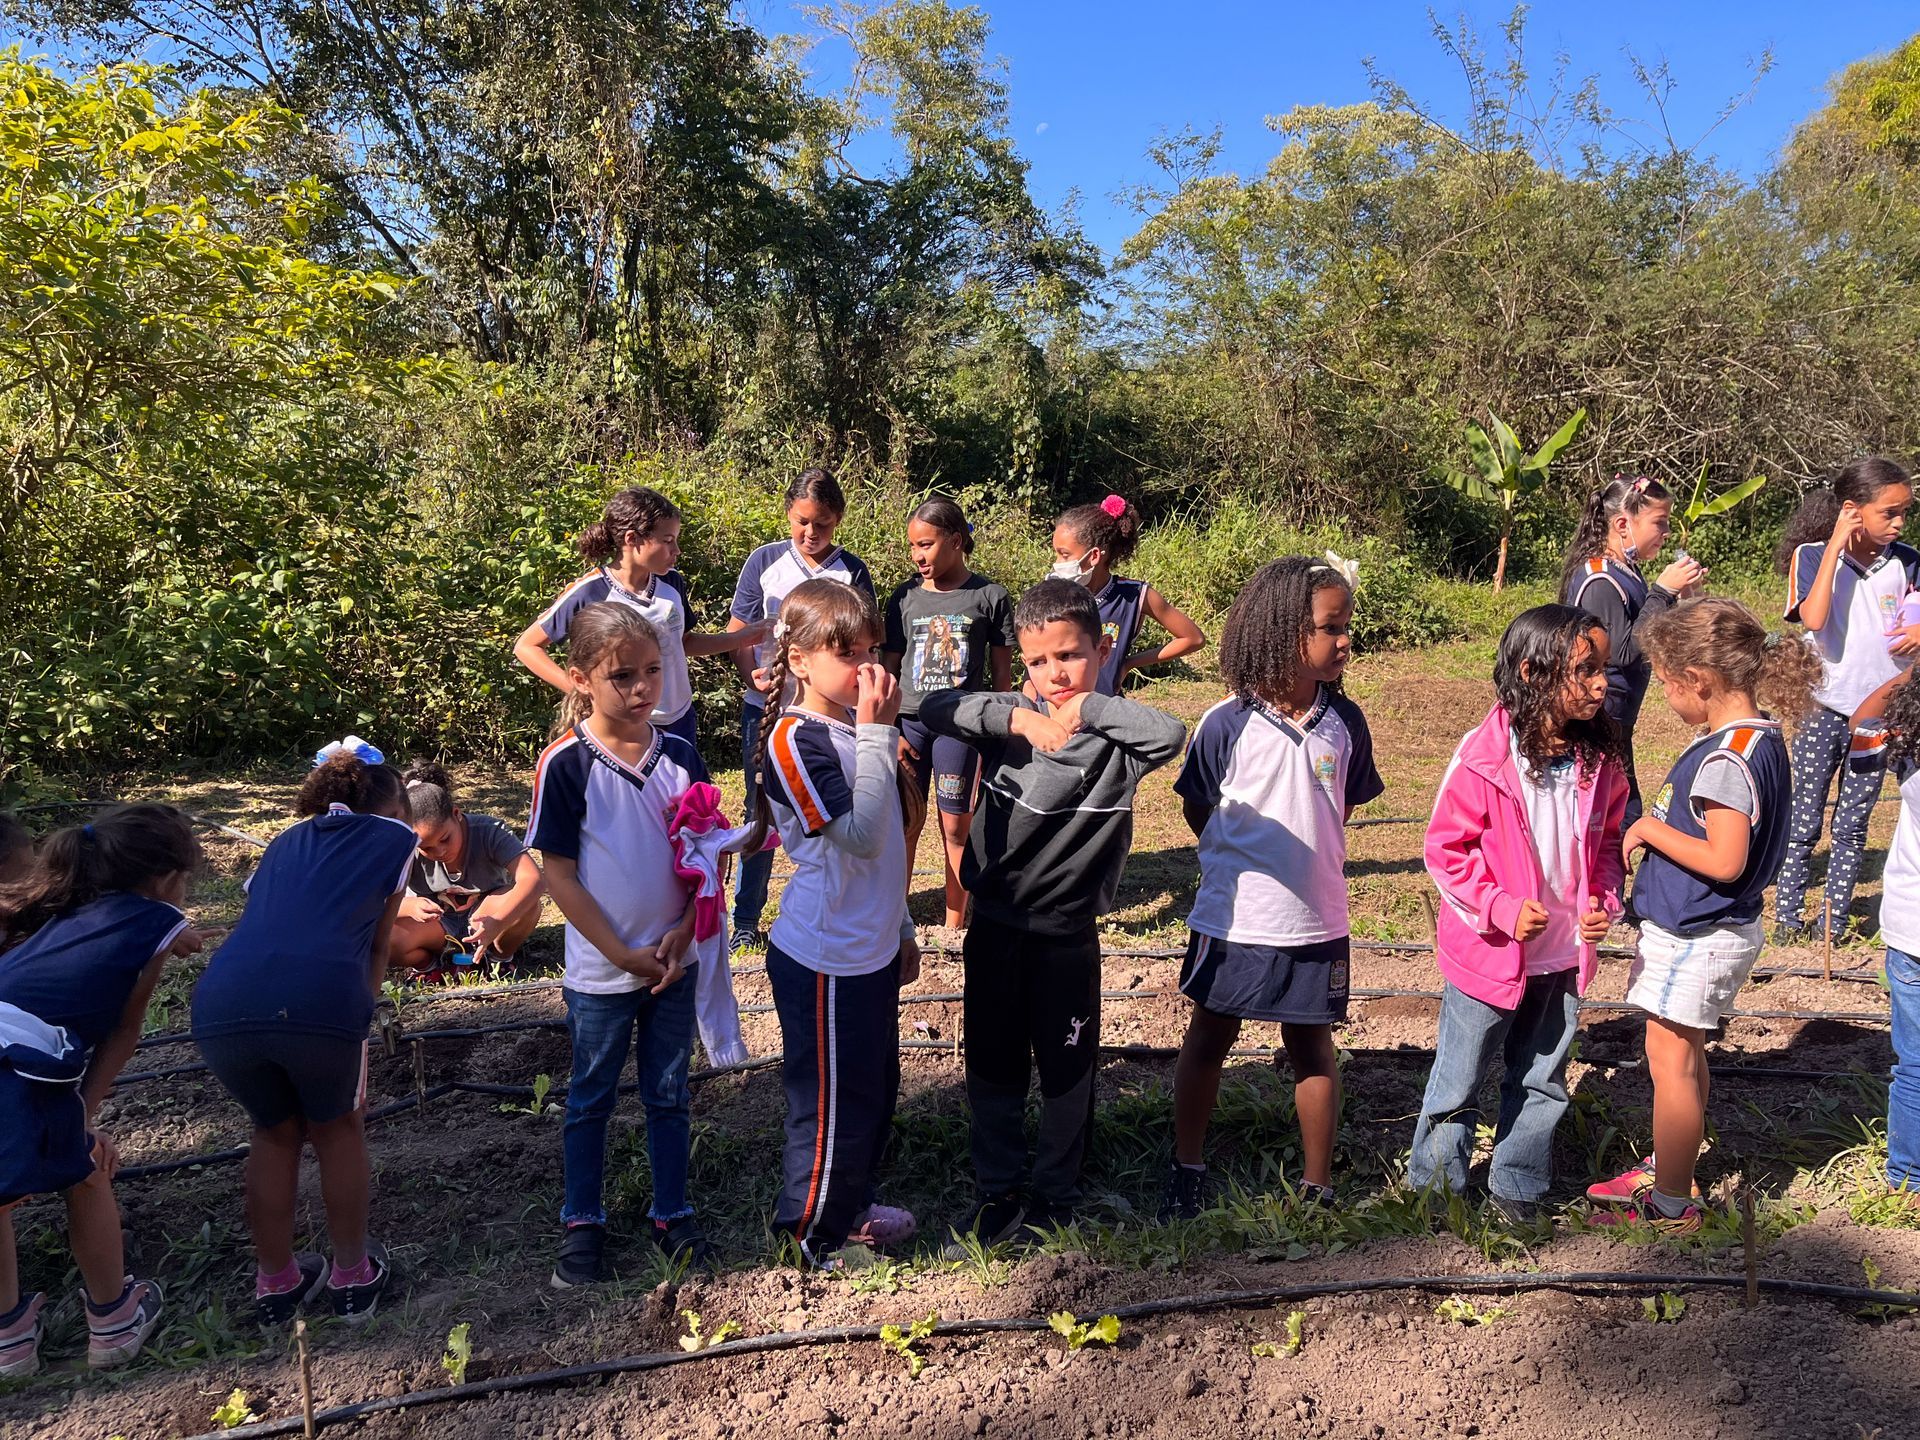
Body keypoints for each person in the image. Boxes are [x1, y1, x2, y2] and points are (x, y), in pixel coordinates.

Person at [922, 579, 1187, 1244]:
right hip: (996, 929)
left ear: (1103, 648)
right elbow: (932, 706)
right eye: (1038, 661)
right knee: (992, 1061)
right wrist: (1020, 718)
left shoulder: (1119, 740)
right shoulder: (1010, 719)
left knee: (1067, 1068)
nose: (1053, 673)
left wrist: (1091, 708)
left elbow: (1172, 732)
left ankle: (1057, 1192)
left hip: (1066, 938)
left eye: (1069, 656)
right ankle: (996, 1188)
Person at [1162, 557, 1383, 1220]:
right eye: (1331, 627)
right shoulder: (1226, 724)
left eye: (1347, 626)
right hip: (1234, 923)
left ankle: (1318, 1186)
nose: (1345, 640)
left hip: (1317, 921)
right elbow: (1198, 807)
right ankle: (1186, 1166)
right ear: (1287, 633)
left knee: (1312, 1046)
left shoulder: (1346, 725)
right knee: (1209, 1038)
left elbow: (1336, 811)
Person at [1585, 598, 1815, 1231]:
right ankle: (1673, 1166)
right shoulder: (1756, 736)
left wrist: (1650, 831)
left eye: (1666, 684)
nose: (1664, 697)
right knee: (1685, 1056)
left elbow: (1724, 858)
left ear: (1700, 682)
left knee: (1670, 1059)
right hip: (1714, 930)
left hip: (1699, 932)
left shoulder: (1726, 759)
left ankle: (1669, 1202)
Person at [1409, 605, 1629, 1224]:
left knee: (1542, 1077)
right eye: (1584, 670)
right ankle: (1436, 1187)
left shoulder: (1600, 759)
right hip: (1489, 955)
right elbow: (1444, 851)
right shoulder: (1484, 759)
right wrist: (1499, 907)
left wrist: (1601, 900)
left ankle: (1519, 1185)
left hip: (1561, 957)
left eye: (1603, 669)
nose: (1600, 684)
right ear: (1533, 672)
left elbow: (1609, 843)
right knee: (1460, 1078)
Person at [192, 751, 417, 1327]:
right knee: (338, 1129)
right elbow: (377, 942)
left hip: (223, 1001)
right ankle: (351, 1274)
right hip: (318, 998)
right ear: (391, 808)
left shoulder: (285, 841)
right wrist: (362, 1012)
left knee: (273, 1132)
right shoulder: (393, 839)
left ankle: (277, 1281)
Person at [527, 602, 712, 1285]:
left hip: (673, 964)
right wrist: (619, 952)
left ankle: (673, 1213)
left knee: (669, 1091)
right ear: (581, 678)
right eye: (623, 676)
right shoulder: (567, 765)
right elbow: (560, 876)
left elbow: (704, 857)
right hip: (602, 974)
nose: (641, 690)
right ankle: (584, 1222)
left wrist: (685, 929)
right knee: (590, 1096)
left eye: (654, 673)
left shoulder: (683, 756)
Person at [745, 580, 923, 1265]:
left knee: (873, 1095)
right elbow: (862, 839)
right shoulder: (795, 740)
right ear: (799, 661)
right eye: (846, 652)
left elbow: (889, 860)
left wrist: (902, 928)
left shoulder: (853, 729)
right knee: (829, 1108)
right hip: (824, 960)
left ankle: (851, 1208)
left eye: (873, 649)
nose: (868, 666)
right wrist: (881, 733)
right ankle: (814, 1234)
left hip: (868, 950)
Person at [0, 805, 203, 1373]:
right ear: (165, 880)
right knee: (86, 1171)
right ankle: (114, 1322)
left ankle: (8, 1342)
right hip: (20, 1060)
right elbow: (124, 1032)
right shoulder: (153, 921)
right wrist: (83, 1117)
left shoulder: (62, 910)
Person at [726, 468, 876, 949]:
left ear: (839, 521)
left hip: (831, 717)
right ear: (789, 514)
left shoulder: (851, 571)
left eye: (823, 525)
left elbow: (865, 641)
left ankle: (833, 902)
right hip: (766, 709)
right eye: (802, 522)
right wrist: (749, 667)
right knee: (761, 808)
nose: (811, 534)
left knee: (835, 810)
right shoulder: (765, 561)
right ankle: (746, 917)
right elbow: (739, 627)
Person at [1775, 456, 1918, 943]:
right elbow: (1814, 620)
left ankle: (1832, 924)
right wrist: (1836, 542)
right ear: (1853, 510)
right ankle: (1787, 917)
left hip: (1877, 716)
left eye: (1905, 513)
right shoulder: (1813, 556)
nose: (1899, 523)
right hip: (1823, 707)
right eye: (1890, 513)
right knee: (1804, 817)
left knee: (1854, 821)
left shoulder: (1910, 562)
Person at [514, 485, 765, 748]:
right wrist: (582, 691)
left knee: (685, 790)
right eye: (668, 541)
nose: (677, 550)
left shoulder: (672, 583)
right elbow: (527, 646)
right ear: (632, 539)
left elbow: (684, 642)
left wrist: (742, 638)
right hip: (623, 727)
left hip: (680, 719)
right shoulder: (590, 591)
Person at [882, 496, 1013, 928]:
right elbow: (890, 666)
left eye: (927, 544)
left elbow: (1001, 676)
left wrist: (999, 731)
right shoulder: (903, 598)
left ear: (956, 541)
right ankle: (895, 917)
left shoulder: (989, 596)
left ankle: (955, 923)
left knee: (956, 826)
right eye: (913, 547)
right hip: (910, 727)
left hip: (960, 727)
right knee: (905, 824)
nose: (919, 556)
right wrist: (890, 727)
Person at [1559, 474, 1707, 825]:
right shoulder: (1600, 580)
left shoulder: (1627, 571)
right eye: (1659, 522)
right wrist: (1661, 593)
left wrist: (1685, 597)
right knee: (1616, 819)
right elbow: (1624, 652)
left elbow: (1659, 633)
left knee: (1622, 815)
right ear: (1623, 524)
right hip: (1595, 725)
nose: (1667, 531)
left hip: (1616, 726)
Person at [390, 760, 546, 975]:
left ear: (456, 814)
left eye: (445, 839)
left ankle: (497, 959)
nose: (439, 852)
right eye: (425, 848)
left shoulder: (489, 831)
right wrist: (408, 907)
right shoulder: (403, 846)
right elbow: (371, 900)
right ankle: (429, 967)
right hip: (435, 926)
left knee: (529, 904)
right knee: (383, 935)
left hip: (486, 915)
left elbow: (533, 879)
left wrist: (498, 922)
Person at [1861, 665, 1920, 1204]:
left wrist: (1911, 671)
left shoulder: (1908, 747)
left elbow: (1862, 722)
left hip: (1909, 928)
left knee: (1915, 1065)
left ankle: (1906, 1181)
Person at [1048, 494, 1205, 697]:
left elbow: (1194, 638)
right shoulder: (1052, 594)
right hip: (1052, 714)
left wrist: (1130, 663)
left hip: (1105, 717)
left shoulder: (1134, 596)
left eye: (1065, 554)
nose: (1057, 562)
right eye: (1056, 554)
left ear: (1094, 556)